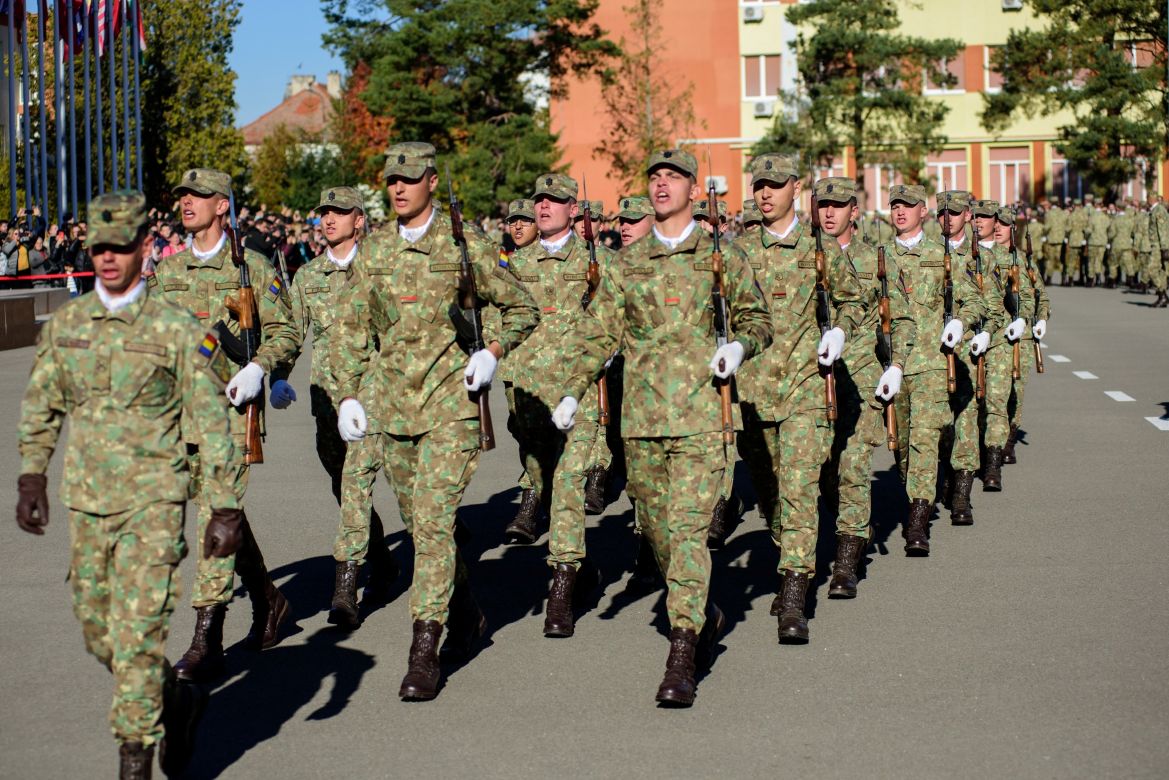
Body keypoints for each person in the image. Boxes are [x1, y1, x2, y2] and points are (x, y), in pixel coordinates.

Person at [15, 191, 242, 779]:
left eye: (120, 246)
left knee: (139, 634)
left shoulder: (175, 329)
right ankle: (175, 699)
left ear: (143, 247)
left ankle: (134, 757)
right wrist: (32, 473)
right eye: (99, 248)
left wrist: (224, 506)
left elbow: (211, 420)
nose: (109, 258)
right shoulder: (67, 325)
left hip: (154, 504)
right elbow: (42, 404)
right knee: (101, 633)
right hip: (88, 504)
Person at [551, 148, 772, 706]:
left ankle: (682, 651)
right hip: (642, 422)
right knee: (658, 530)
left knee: (690, 531)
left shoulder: (720, 256)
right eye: (655, 177)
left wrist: (739, 347)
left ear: (693, 189)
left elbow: (757, 319)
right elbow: (599, 332)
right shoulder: (627, 263)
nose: (662, 185)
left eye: (673, 177)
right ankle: (702, 610)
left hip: (703, 418)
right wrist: (572, 388)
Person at [329, 142, 539, 700]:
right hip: (393, 411)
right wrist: (348, 394)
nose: (398, 188)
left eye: (409, 178)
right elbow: (350, 327)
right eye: (391, 180)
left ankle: (425, 647)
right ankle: (466, 613)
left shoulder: (465, 245)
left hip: (450, 407)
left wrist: (492, 351)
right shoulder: (374, 250)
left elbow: (522, 306)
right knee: (427, 528)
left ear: (431, 181)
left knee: (432, 521)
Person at [150, 168, 300, 683]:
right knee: (222, 513)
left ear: (221, 205)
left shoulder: (251, 267)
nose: (187, 203)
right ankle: (269, 598)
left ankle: (206, 638)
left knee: (215, 517)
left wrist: (260, 369)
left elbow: (285, 331)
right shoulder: (168, 271)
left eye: (199, 195)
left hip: (232, 418)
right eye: (183, 196)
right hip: (181, 416)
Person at [732, 156, 863, 640]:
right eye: (759, 185)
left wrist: (840, 333)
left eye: (774, 184)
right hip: (753, 392)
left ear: (796, 187)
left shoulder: (819, 247)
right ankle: (789, 552)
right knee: (771, 495)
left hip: (806, 386)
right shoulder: (739, 251)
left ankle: (794, 594)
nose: (765, 193)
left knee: (800, 489)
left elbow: (854, 300)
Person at [270, 186, 399, 629]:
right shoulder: (309, 276)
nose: (328, 219)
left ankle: (345, 587)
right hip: (326, 400)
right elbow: (290, 331)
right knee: (344, 488)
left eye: (339, 212)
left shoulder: (380, 270)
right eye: (324, 212)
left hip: (371, 396)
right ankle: (384, 561)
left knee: (356, 484)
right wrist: (277, 376)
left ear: (359, 220)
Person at [817, 176, 914, 598]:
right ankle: (852, 527)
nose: (829, 212)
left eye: (838, 205)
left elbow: (902, 318)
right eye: (823, 205)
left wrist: (896, 366)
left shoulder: (876, 259)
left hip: (860, 379)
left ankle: (846, 562)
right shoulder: (803, 257)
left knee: (853, 467)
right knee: (824, 474)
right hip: (810, 382)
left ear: (854, 211)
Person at [886, 184, 985, 556]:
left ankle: (917, 522)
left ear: (922, 211)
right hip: (894, 367)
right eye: (895, 205)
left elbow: (974, 300)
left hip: (931, 364)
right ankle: (919, 492)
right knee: (902, 449)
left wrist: (959, 321)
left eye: (908, 205)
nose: (901, 211)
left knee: (923, 442)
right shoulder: (880, 256)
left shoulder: (940, 254)